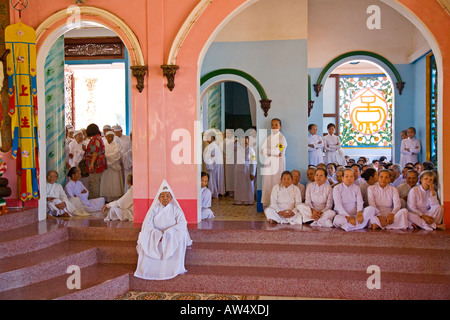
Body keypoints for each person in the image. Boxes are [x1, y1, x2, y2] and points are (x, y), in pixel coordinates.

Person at [134, 180, 193, 280]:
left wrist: (169, 233)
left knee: (182, 234)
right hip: (156, 235)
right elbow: (147, 224)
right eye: (162, 196)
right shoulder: (154, 209)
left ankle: (173, 267)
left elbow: (182, 224)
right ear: (158, 197)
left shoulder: (176, 209)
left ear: (171, 197)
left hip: (171, 235)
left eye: (168, 196)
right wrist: (156, 234)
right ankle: (150, 269)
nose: (165, 198)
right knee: (144, 234)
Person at [260, 118, 287, 208]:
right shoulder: (268, 138)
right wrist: (271, 151)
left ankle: (277, 205)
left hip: (278, 163)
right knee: (267, 183)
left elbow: (278, 150)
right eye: (272, 125)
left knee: (277, 182)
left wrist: (269, 151)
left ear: (280, 126)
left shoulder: (282, 138)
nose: (274, 126)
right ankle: (267, 205)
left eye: (276, 125)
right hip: (268, 163)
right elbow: (262, 151)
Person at [100, 131, 124, 202]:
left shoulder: (116, 145)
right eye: (109, 137)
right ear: (106, 137)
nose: (110, 138)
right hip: (106, 167)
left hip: (114, 166)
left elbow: (116, 154)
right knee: (106, 182)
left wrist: (107, 157)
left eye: (112, 137)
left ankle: (115, 198)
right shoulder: (103, 145)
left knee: (115, 182)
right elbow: (103, 154)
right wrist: (108, 157)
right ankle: (106, 198)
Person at [85, 123, 107, 199]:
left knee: (94, 183)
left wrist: (91, 164)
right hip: (99, 164)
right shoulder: (98, 138)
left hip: (95, 165)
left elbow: (95, 152)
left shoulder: (95, 139)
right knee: (95, 183)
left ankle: (94, 201)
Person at [234, 136, 257, 205]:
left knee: (247, 185)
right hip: (238, 169)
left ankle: (248, 200)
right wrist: (235, 141)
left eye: (246, 143)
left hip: (247, 169)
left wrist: (253, 172)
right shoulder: (238, 148)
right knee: (239, 185)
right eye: (243, 143)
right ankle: (239, 200)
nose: (244, 144)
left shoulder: (251, 150)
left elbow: (253, 161)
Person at [203, 133, 225, 199]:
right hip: (214, 166)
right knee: (213, 180)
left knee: (212, 180)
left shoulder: (212, 146)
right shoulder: (213, 146)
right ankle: (214, 193)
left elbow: (211, 157)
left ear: (212, 138)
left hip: (213, 166)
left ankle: (213, 193)